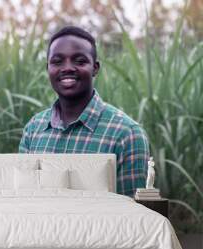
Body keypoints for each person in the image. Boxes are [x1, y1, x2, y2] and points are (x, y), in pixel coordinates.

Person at [19, 26, 150, 197]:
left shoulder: (127, 134)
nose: (67, 68)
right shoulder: (34, 129)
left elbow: (133, 215)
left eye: (79, 61)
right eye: (57, 61)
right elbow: (23, 199)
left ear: (95, 68)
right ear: (48, 68)